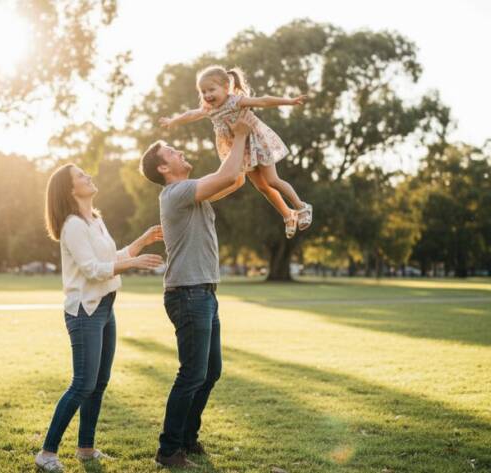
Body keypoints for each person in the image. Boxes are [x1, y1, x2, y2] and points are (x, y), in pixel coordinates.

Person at [140, 110, 255, 468]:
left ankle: (187, 439)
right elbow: (227, 174)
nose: (180, 152)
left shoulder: (192, 193)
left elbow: (233, 179)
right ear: (163, 168)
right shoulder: (176, 193)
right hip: (187, 294)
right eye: (173, 151)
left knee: (210, 371)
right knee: (191, 373)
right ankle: (169, 450)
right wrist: (237, 136)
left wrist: (247, 143)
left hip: (203, 292)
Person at [35, 163, 164, 472]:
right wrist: (133, 263)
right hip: (84, 311)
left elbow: (111, 258)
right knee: (82, 383)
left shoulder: (94, 220)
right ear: (70, 189)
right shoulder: (72, 225)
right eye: (81, 175)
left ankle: (86, 449)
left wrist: (142, 242)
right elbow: (93, 269)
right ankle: (47, 454)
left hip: (105, 307)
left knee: (99, 382)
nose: (88, 176)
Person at [159, 65, 312, 239]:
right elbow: (191, 114)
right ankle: (288, 215)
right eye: (203, 92)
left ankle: (301, 207)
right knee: (262, 187)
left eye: (211, 90)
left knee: (272, 181)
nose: (207, 95)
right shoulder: (209, 108)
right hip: (240, 151)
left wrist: (289, 101)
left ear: (226, 87)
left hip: (255, 143)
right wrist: (174, 121)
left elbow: (263, 101)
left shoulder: (236, 101)